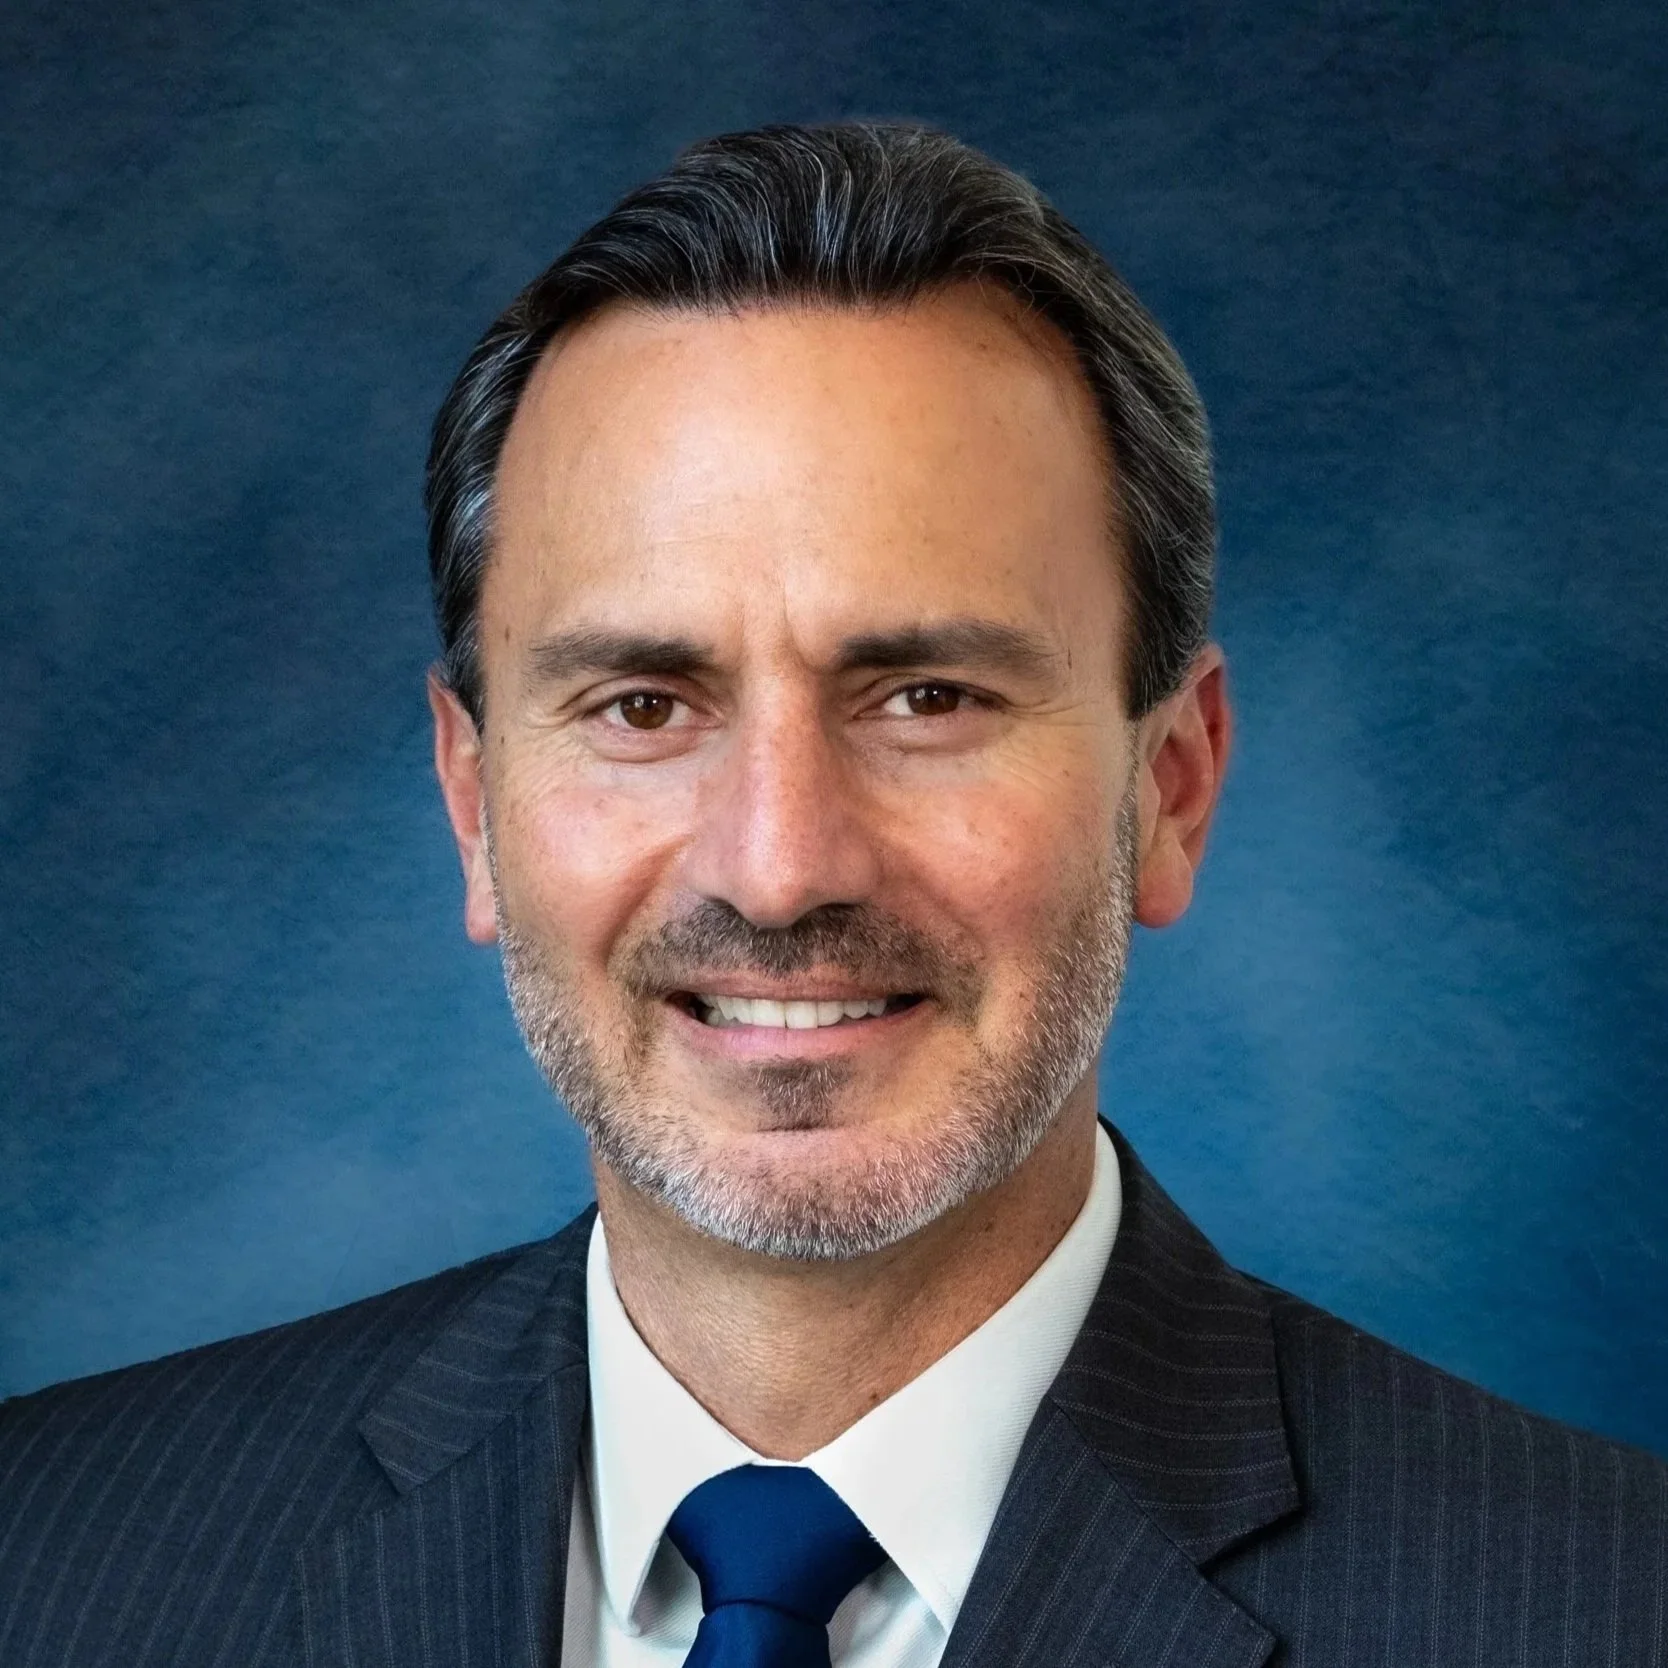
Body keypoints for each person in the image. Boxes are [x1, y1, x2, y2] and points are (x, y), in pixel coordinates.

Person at [1, 121, 1663, 1668]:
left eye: (926, 697)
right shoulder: (56, 1558)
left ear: (1171, 788)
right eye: (643, 707)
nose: (780, 864)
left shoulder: (1592, 1604)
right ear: (472, 805)